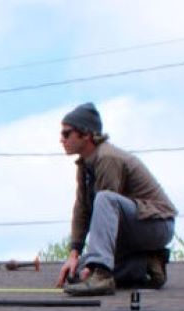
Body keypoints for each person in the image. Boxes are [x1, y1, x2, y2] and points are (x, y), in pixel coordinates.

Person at [54, 102, 177, 296]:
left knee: (104, 200)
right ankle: (147, 265)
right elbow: (82, 209)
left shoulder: (107, 158)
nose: (61, 139)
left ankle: (102, 276)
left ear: (86, 134)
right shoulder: (85, 164)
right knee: (78, 271)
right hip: (133, 227)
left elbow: (106, 216)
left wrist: (97, 267)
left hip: (157, 224)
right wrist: (74, 254)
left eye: (66, 133)